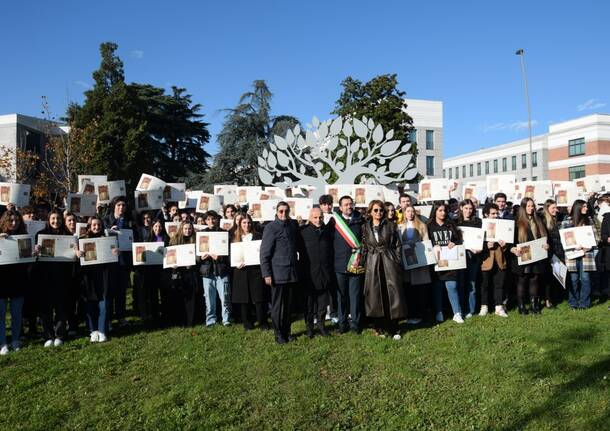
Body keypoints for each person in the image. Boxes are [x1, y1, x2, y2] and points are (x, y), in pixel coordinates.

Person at [361, 200, 406, 339]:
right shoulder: (365, 227)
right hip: (373, 262)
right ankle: (378, 327)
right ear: (370, 212)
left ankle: (394, 328)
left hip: (389, 261)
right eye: (375, 210)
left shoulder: (391, 225)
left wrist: (397, 261)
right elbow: (364, 245)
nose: (378, 212)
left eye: (381, 210)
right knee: (375, 295)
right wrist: (364, 262)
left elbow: (398, 245)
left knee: (391, 294)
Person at [260, 201, 301, 344]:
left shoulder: (292, 225)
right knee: (277, 306)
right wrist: (267, 274)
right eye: (281, 211)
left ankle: (287, 331)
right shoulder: (271, 228)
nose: (284, 214)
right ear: (276, 212)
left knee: (289, 306)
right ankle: (278, 334)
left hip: (291, 273)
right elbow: (264, 253)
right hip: (277, 274)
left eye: (286, 211)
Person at [34, 210, 74, 347]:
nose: (56, 221)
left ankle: (60, 335)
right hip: (45, 277)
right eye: (53, 218)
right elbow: (35, 256)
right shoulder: (40, 235)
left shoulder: (68, 235)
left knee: (61, 307)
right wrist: (36, 251)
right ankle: (48, 336)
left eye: (58, 219)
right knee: (46, 309)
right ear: (48, 219)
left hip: (63, 277)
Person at [77, 217, 118, 343]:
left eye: (99, 225)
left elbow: (113, 257)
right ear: (89, 227)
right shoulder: (82, 241)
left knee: (104, 304)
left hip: (104, 276)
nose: (96, 227)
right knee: (91, 305)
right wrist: (78, 253)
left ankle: (102, 330)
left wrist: (116, 252)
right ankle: (93, 330)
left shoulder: (107, 240)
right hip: (88, 277)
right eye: (94, 225)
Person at [510, 198, 549, 314]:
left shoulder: (538, 220)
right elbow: (511, 242)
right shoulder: (517, 222)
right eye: (528, 206)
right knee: (522, 280)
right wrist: (513, 249)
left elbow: (544, 237)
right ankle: (521, 306)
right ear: (523, 207)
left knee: (534, 279)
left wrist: (546, 245)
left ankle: (534, 305)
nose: (531, 208)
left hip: (537, 255)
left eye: (532, 206)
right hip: (523, 255)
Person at [231, 214, 269, 330]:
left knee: (259, 298)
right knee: (244, 299)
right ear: (239, 224)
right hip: (240, 271)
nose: (246, 225)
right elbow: (231, 255)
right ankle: (247, 324)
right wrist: (236, 263)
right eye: (244, 223)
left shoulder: (258, 236)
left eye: (248, 223)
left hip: (256, 271)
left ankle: (263, 323)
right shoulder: (234, 237)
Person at [299, 208, 333, 338]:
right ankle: (309, 328)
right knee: (309, 304)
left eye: (320, 217)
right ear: (310, 217)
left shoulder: (328, 231)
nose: (318, 220)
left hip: (324, 273)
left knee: (323, 303)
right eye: (315, 218)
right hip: (308, 273)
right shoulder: (303, 231)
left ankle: (321, 325)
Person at [427, 202, 464, 324]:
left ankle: (457, 313)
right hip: (437, 261)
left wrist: (455, 243)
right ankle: (439, 311)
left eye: (444, 210)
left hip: (451, 261)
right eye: (440, 210)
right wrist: (433, 246)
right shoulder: (429, 226)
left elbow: (459, 239)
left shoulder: (450, 224)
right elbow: (425, 243)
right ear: (435, 211)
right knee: (438, 287)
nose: (442, 213)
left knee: (452, 286)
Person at [333, 196, 365, 334]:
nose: (349, 207)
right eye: (345, 205)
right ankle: (342, 323)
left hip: (356, 265)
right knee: (341, 297)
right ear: (340, 207)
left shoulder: (361, 220)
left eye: (350, 204)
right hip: (339, 264)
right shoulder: (333, 222)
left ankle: (355, 324)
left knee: (355, 295)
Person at [0, 210, 29, 354]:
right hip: (1, 280)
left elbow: (27, 262)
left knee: (16, 313)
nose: (14, 223)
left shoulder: (23, 237)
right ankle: (2, 343)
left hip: (18, 280)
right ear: (5, 221)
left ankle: (16, 339)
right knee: (1, 314)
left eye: (17, 220)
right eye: (11, 220)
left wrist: (33, 253)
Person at [560, 200, 597, 310]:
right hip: (573, 254)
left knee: (585, 279)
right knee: (573, 279)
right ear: (578, 208)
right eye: (584, 206)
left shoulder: (589, 220)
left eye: (586, 206)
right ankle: (573, 302)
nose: (586, 208)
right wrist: (572, 245)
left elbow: (596, 237)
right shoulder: (567, 221)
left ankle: (584, 303)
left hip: (586, 254)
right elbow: (563, 239)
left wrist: (589, 245)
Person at [103, 196, 134, 327]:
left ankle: (121, 317)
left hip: (123, 261)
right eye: (118, 205)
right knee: (109, 292)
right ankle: (109, 318)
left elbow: (133, 238)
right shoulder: (105, 220)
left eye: (123, 205)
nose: (121, 207)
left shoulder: (129, 221)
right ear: (113, 206)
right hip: (110, 262)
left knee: (121, 292)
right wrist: (110, 230)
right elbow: (100, 237)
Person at [398, 206, 431, 324]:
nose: (410, 213)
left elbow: (426, 242)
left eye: (412, 211)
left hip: (419, 262)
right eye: (408, 211)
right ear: (404, 213)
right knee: (408, 289)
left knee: (419, 290)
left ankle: (420, 314)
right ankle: (410, 314)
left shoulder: (422, 225)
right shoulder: (400, 227)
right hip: (406, 262)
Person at [200, 210, 231, 327]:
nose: (211, 221)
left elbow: (229, 253)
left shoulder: (224, 233)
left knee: (225, 297)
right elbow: (197, 256)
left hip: (221, 270)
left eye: (213, 218)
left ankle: (226, 319)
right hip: (207, 271)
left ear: (217, 219)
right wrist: (201, 257)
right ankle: (211, 320)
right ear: (205, 221)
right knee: (209, 299)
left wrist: (220, 257)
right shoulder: (201, 234)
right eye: (208, 219)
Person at [167, 221, 199, 327]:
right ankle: (180, 320)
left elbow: (198, 257)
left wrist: (194, 262)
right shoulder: (175, 240)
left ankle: (191, 320)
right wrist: (172, 264)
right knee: (179, 296)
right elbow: (170, 255)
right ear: (181, 229)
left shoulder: (195, 239)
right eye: (185, 228)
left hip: (191, 272)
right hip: (178, 272)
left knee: (191, 297)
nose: (187, 231)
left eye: (189, 228)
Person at [479, 203, 508, 317]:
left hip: (500, 259)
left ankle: (498, 307)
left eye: (497, 213)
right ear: (486, 214)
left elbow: (509, 244)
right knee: (484, 285)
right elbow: (475, 243)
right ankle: (484, 306)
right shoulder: (480, 225)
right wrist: (486, 245)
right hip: (485, 260)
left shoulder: (503, 225)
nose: (496, 215)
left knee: (499, 284)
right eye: (493, 213)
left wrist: (505, 245)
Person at [457, 199, 482, 318]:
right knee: (461, 284)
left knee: (472, 283)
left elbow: (481, 238)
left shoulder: (478, 222)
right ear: (461, 208)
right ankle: (461, 308)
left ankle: (470, 310)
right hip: (460, 256)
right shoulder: (455, 221)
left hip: (474, 256)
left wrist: (479, 248)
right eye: (466, 208)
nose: (468, 211)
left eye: (470, 208)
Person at [63, 212, 84, 336]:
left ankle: (77, 323)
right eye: (69, 220)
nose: (72, 223)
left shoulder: (81, 236)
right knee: (69, 300)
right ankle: (71, 325)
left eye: (74, 220)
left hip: (79, 272)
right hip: (66, 273)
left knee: (79, 299)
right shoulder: (62, 236)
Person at [541, 199, 563, 308]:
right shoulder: (543, 220)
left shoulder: (558, 218)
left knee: (557, 276)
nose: (556, 210)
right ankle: (547, 299)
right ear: (547, 208)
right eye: (553, 208)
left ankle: (555, 298)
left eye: (556, 207)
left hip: (558, 251)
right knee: (548, 277)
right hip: (548, 252)